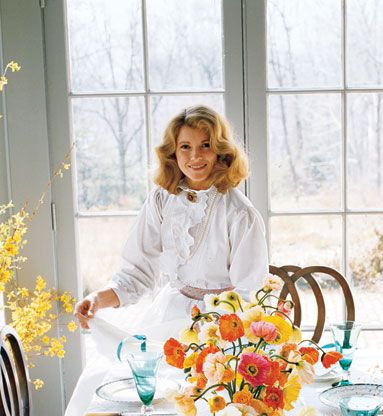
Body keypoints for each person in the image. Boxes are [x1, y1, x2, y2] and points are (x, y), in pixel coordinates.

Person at [74, 105, 268, 335]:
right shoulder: (161, 199)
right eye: (185, 147)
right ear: (173, 152)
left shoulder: (240, 213)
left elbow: (249, 291)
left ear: (220, 150)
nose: (195, 156)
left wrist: (210, 331)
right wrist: (97, 298)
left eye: (205, 145)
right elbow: (138, 271)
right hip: (169, 315)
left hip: (224, 328)